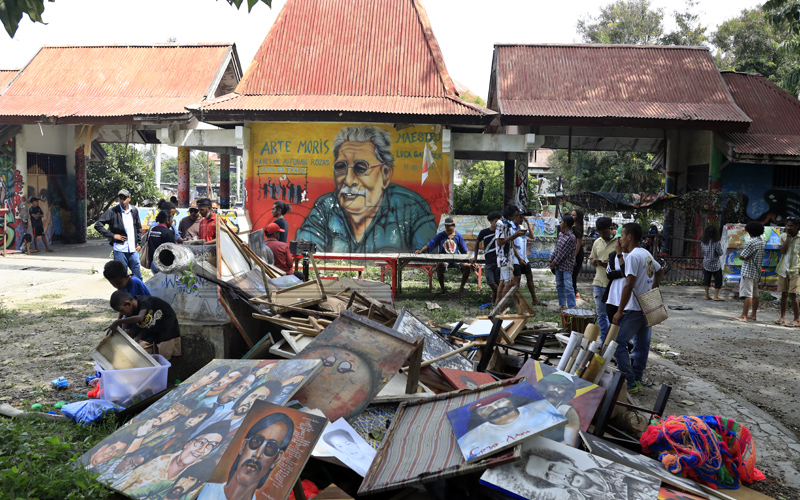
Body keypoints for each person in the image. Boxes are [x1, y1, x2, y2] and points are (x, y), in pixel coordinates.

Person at [296, 125, 437, 252]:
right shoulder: (325, 208)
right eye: (341, 167)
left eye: (361, 168)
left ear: (385, 174)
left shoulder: (411, 208)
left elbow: (428, 260)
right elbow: (304, 253)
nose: (349, 180)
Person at [611, 223, 664, 394]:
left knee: (618, 343)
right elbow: (660, 270)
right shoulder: (646, 253)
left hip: (634, 309)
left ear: (629, 237)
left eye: (622, 235)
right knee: (642, 345)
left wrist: (619, 311)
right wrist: (652, 290)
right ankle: (638, 377)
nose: (620, 239)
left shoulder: (633, 257)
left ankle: (630, 381)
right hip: (646, 306)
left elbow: (628, 285)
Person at [197, 412, 295, 500]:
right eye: (256, 441)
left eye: (270, 447)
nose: (257, 455)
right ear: (243, 446)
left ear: (276, 459)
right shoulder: (202, 491)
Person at [121, 421, 230, 492]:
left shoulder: (199, 474)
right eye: (201, 442)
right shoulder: (156, 458)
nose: (201, 450)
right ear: (188, 443)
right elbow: (122, 484)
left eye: (210, 446)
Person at [457, 391, 564, 461]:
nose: (495, 408)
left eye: (500, 401)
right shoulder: (471, 439)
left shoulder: (543, 408)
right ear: (479, 414)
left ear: (510, 401)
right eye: (485, 408)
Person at [107, 290, 182, 360]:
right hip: (151, 329)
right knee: (141, 352)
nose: (122, 314)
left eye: (122, 311)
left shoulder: (144, 301)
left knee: (164, 356)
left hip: (166, 327)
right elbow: (128, 332)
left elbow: (140, 318)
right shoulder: (129, 313)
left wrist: (117, 322)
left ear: (128, 304)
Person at [95, 189, 143, 280]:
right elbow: (98, 225)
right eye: (120, 198)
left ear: (129, 198)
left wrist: (140, 244)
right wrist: (112, 235)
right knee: (121, 277)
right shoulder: (113, 211)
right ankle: (124, 294)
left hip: (133, 250)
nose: (122, 200)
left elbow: (138, 228)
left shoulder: (134, 211)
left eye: (124, 198)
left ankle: (139, 294)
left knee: (138, 277)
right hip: (120, 250)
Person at [415, 217, 470, 294]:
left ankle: (461, 288)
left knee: (467, 266)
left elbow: (465, 249)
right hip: (444, 259)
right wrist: (421, 250)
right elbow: (431, 242)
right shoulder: (441, 235)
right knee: (440, 264)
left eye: (449, 226)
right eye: (446, 226)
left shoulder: (458, 236)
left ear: (453, 226)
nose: (447, 227)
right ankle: (442, 289)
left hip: (456, 259)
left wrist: (470, 260)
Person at [589, 217, 617, 337]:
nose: (602, 235)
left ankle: (614, 339)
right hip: (598, 283)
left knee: (614, 316)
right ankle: (604, 339)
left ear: (611, 228)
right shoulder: (597, 242)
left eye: (604, 232)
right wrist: (595, 261)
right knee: (601, 314)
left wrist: (610, 264)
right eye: (599, 233)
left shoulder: (619, 241)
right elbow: (591, 258)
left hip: (613, 284)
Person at [732, 222, 766, 323]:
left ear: (750, 231)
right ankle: (753, 314)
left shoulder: (751, 242)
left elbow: (742, 256)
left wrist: (747, 256)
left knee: (748, 294)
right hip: (756, 270)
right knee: (755, 294)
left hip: (748, 270)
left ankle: (744, 316)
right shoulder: (761, 241)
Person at [535, 373, 581, 446]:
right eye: (553, 386)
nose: (556, 390)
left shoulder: (567, 410)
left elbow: (569, 443)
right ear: (547, 386)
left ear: (565, 392)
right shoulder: (534, 401)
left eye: (561, 388)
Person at [495, 205, 528, 305]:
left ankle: (497, 305)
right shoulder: (500, 224)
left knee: (502, 281)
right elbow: (499, 242)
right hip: (504, 257)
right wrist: (514, 235)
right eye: (513, 215)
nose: (514, 218)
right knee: (508, 283)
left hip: (508, 256)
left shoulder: (507, 223)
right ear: (509, 214)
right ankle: (501, 306)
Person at [512, 211, 543, 306]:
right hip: (515, 259)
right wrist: (519, 258)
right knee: (517, 280)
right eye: (520, 217)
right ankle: (515, 302)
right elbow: (511, 245)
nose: (522, 219)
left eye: (523, 217)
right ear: (515, 217)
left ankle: (534, 299)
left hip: (524, 258)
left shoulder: (522, 228)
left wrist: (528, 223)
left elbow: (532, 236)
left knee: (530, 277)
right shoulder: (511, 229)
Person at [472, 212, 502, 305]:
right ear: (491, 222)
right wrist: (475, 258)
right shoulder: (484, 232)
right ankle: (502, 297)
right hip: (489, 261)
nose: (498, 224)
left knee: (497, 282)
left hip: (499, 261)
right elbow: (477, 243)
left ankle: (494, 301)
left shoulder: (501, 232)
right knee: (491, 282)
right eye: (496, 221)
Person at [776, 216, 800, 327]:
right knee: (784, 294)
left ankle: (796, 319)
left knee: (792, 294)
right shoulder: (783, 236)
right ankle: (782, 317)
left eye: (791, 225)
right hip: (783, 269)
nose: (789, 227)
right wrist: (788, 238)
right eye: (787, 225)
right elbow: (782, 251)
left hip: (796, 269)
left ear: (797, 226)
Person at [602, 238, 627, 344]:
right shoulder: (613, 255)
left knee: (624, 330)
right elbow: (609, 274)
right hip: (612, 297)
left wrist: (624, 272)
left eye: (621, 239)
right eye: (618, 240)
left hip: (626, 298)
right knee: (613, 325)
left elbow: (629, 272)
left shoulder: (633, 256)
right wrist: (622, 273)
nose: (619, 242)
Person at [550, 215, 577, 309]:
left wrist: (554, 262)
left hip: (566, 266)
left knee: (568, 286)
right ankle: (562, 304)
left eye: (561, 221)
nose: (560, 223)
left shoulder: (571, 238)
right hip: (558, 266)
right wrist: (551, 258)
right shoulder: (561, 235)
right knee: (559, 285)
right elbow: (557, 249)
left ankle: (572, 307)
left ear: (565, 224)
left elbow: (563, 253)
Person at [700, 225, 725, 301]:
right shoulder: (716, 243)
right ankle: (716, 296)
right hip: (715, 264)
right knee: (718, 280)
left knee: (707, 279)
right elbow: (720, 252)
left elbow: (703, 252)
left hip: (706, 263)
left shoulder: (703, 242)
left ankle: (707, 295)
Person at [571, 209, 585, 299]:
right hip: (572, 252)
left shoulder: (578, 227)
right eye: (571, 215)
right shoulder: (573, 226)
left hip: (577, 252)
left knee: (573, 274)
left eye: (574, 215)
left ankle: (575, 292)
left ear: (578, 217)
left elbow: (579, 243)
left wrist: (574, 256)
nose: (572, 216)